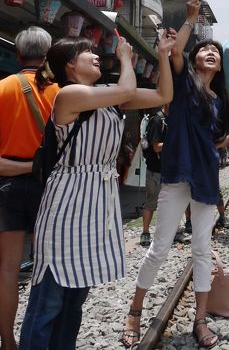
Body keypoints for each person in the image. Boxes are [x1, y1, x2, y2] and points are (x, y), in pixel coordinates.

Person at [19, 29, 176, 350]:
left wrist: (162, 54)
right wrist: (124, 58)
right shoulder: (69, 95)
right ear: (70, 67)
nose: (95, 55)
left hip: (97, 204)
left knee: (75, 300)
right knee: (48, 301)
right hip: (66, 203)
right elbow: (129, 88)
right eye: (86, 52)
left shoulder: (110, 94)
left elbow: (163, 96)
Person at [122, 0, 229, 349]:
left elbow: (215, 143)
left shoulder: (219, 100)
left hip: (206, 178)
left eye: (216, 50)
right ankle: (135, 311)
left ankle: (200, 320)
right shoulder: (183, 84)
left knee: (201, 248)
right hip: (178, 173)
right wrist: (190, 18)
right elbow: (174, 52)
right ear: (195, 57)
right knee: (160, 247)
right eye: (205, 49)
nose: (211, 52)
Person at [0, 27, 57, 350]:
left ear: (19, 54)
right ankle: (39, 338)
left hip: (7, 186)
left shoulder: (2, 89)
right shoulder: (60, 92)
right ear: (48, 56)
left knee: (7, 268)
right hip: (48, 187)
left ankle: (8, 342)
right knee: (45, 265)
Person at [140, 105, 168, 247]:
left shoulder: (172, 119)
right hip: (155, 170)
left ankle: (169, 232)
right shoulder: (158, 120)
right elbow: (156, 147)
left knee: (169, 203)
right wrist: (175, 142)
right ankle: (145, 232)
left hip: (169, 169)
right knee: (151, 203)